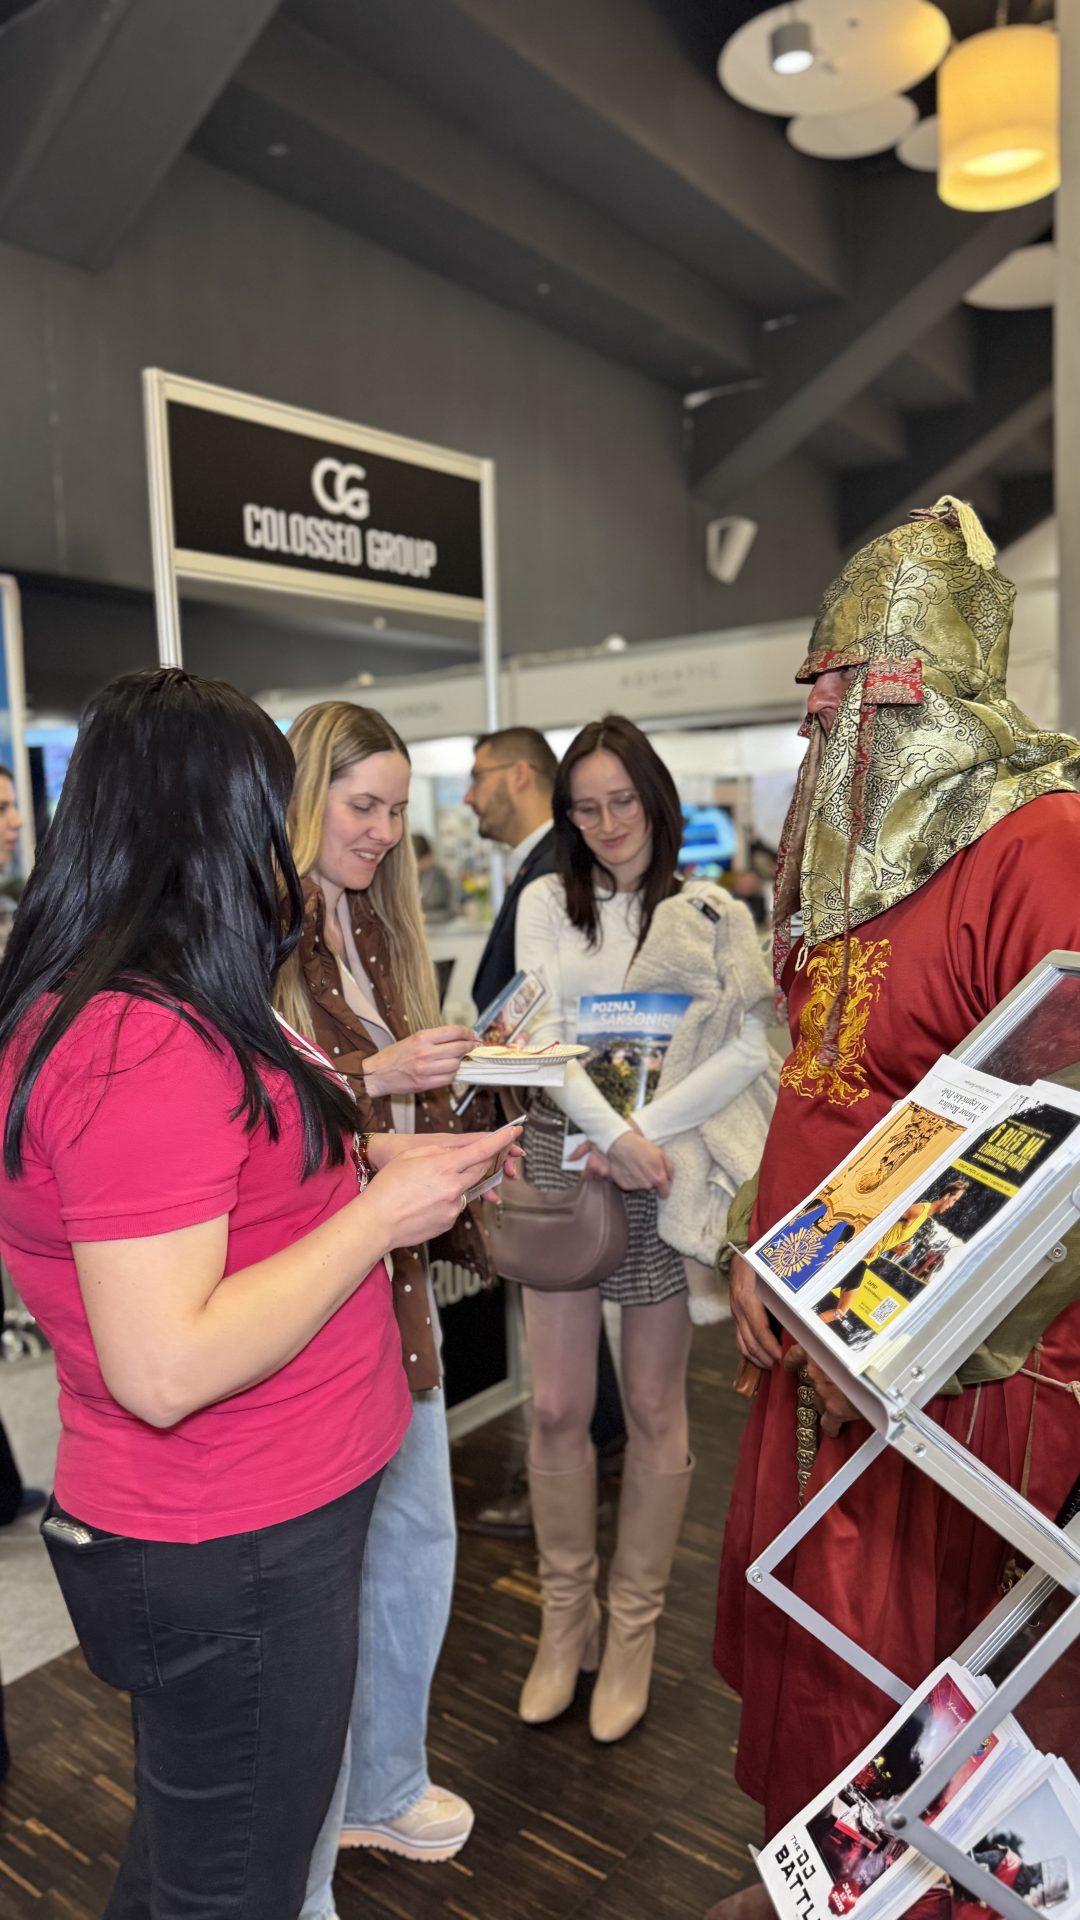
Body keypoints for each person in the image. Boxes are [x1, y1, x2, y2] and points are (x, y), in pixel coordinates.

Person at [0, 667, 515, 1920]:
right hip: (232, 1535)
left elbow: (239, 1180)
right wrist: (380, 1217)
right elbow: (164, 1363)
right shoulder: (135, 1039)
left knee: (205, 1860)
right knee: (235, 1883)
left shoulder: (173, 998)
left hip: (259, 1522)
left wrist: (375, 1164)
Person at [710, 498, 1080, 1919]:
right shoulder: (847, 850)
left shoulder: (1042, 843)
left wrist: (909, 1339)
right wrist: (757, 1240)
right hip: (816, 1345)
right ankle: (824, 1886)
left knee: (935, 1692)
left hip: (951, 1388)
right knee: (823, 1666)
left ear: (926, 688)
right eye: (816, 699)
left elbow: (1064, 1145)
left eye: (849, 695)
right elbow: (821, 1077)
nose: (824, 727)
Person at [514, 715, 772, 1742]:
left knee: (659, 1408)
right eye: (586, 807)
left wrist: (640, 1138)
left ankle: (632, 1632)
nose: (608, 822)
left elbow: (750, 1048)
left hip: (664, 1172)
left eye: (622, 800)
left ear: (655, 799)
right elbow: (535, 1034)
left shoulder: (711, 911)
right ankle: (562, 1623)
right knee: (556, 1407)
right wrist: (608, 1135)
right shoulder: (547, 902)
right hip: (566, 1164)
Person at [277, 701, 488, 1896]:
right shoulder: (257, 936)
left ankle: (383, 1783)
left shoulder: (373, 925)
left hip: (394, 1280)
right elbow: (272, 1114)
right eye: (364, 806)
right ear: (305, 795)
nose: (385, 831)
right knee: (326, 1589)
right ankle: (324, 1845)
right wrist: (380, 1073)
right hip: (317, 1299)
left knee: (416, 1540)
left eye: (399, 810)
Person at [464, 725, 629, 1538]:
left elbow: (543, 1008)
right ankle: (597, 1446)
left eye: (479, 776)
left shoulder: (556, 875)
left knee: (563, 1284)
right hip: (551, 1113)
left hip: (554, 1114)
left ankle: (580, 1463)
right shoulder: (543, 871)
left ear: (521, 775)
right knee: (568, 1287)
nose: (469, 795)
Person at [412, 832, 457, 923]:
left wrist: (425, 917)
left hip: (439, 928)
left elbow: (452, 911)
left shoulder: (441, 876)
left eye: (419, 861)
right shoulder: (404, 879)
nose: (417, 866)